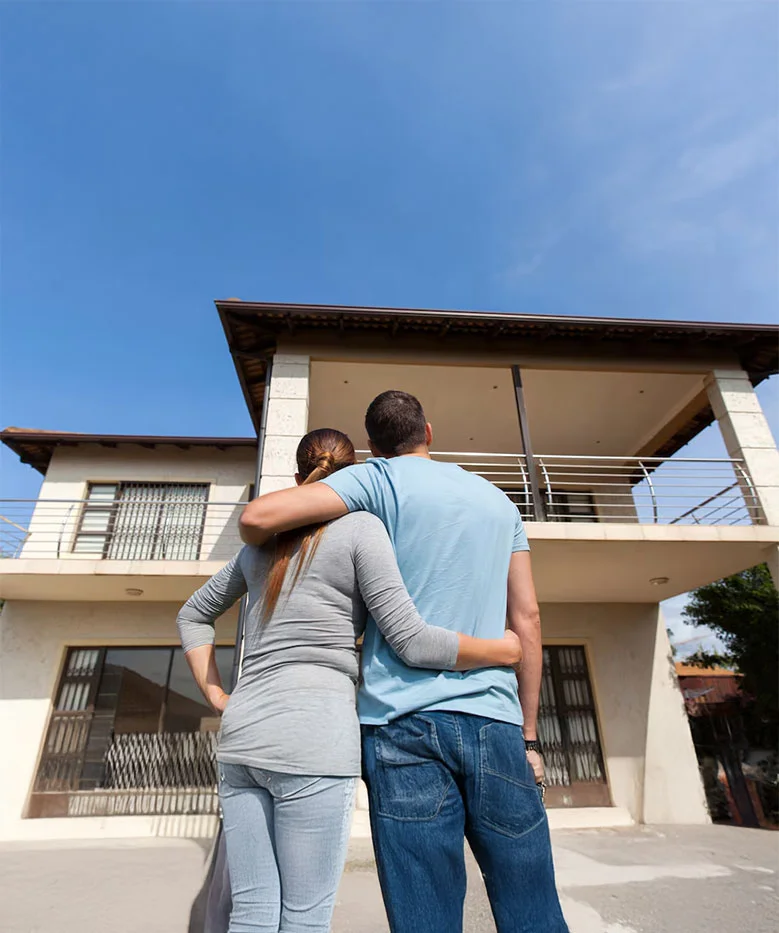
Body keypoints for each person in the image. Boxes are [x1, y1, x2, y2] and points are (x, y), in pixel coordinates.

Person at [239, 392, 569, 933]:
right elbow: (527, 619)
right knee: (531, 901)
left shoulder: (375, 480)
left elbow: (258, 516)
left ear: (374, 445)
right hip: (495, 720)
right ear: (428, 432)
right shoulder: (498, 502)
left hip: (400, 724)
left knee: (425, 913)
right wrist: (529, 738)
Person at [177, 427, 523, 933]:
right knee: (304, 918)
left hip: (242, 738)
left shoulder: (257, 549)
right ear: (353, 476)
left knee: (251, 913)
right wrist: (503, 649)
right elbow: (413, 642)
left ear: (300, 476)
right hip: (315, 742)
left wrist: (216, 695)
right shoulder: (362, 529)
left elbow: (192, 615)